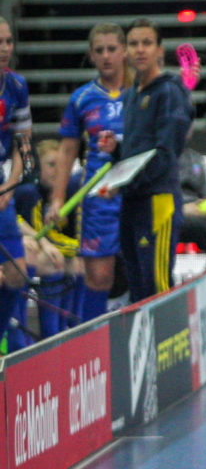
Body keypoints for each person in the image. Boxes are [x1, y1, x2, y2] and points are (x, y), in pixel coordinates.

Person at [96, 19, 193, 303]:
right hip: (133, 200)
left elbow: (165, 153)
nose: (140, 50)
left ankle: (174, 345)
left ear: (160, 50)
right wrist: (117, 149)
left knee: (157, 282)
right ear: (126, 51)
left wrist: (122, 181)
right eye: (134, 44)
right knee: (136, 283)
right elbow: (139, 151)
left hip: (158, 200)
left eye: (147, 43)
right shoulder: (132, 95)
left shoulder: (170, 92)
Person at [50, 23, 128, 324]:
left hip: (136, 193)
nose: (106, 56)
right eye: (99, 50)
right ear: (91, 56)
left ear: (124, 52)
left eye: (112, 49)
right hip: (99, 198)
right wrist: (56, 200)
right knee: (99, 277)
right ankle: (91, 343)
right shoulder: (82, 98)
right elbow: (67, 151)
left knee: (142, 269)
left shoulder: (140, 94)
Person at [17, 139, 83, 339]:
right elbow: (42, 235)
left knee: (77, 262)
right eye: (51, 165)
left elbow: (55, 236)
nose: (57, 171)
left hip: (35, 247)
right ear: (36, 167)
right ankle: (51, 333)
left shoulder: (51, 193)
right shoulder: (29, 192)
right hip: (19, 250)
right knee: (58, 260)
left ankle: (69, 326)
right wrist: (78, 248)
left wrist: (78, 249)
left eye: (61, 166)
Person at [0, 18, 39, 350]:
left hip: (2, 191)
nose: (4, 49)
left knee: (15, 274)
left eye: (8, 41)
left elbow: (24, 142)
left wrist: (10, 185)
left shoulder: (16, 86)